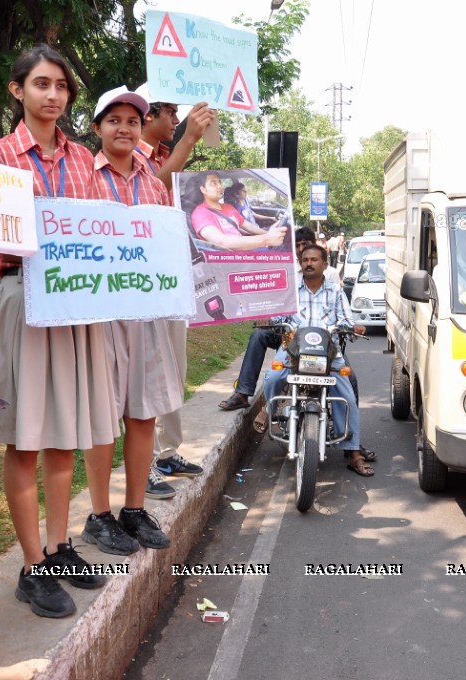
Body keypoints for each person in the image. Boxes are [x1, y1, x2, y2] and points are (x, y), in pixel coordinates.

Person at [0, 45, 119, 620]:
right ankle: (32, 565)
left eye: (61, 85)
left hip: (77, 304)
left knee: (64, 432)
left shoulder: (85, 160)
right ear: (17, 91)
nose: (53, 95)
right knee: (25, 437)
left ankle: (59, 547)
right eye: (41, 84)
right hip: (23, 297)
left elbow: (107, 232)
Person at [79, 86, 178, 555]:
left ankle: (133, 509)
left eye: (133, 121)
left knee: (143, 413)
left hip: (147, 311)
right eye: (114, 119)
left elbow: (167, 246)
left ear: (141, 129)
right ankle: (99, 515)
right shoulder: (83, 178)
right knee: (102, 416)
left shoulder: (154, 184)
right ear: (97, 127)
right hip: (100, 314)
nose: (124, 128)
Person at [133, 83, 214, 499]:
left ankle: (167, 452)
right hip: (143, 287)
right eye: (171, 112)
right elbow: (151, 190)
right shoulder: (131, 156)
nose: (177, 120)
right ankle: (143, 465)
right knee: (147, 378)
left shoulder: (168, 157)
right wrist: (189, 140)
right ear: (149, 116)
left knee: (173, 372)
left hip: (171, 284)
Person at [218, 227, 367, 424]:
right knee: (261, 341)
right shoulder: (286, 272)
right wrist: (266, 317)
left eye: (306, 246)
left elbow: (342, 314)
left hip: (325, 340)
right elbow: (276, 303)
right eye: (298, 249)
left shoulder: (330, 278)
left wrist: (350, 327)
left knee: (350, 380)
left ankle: (351, 440)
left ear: (322, 261)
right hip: (290, 335)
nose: (303, 255)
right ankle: (245, 394)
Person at [255, 244, 373, 476]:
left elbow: (347, 320)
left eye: (314, 260)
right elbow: (279, 316)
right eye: (305, 260)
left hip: (328, 353)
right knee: (272, 377)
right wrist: (268, 319)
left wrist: (354, 327)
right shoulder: (291, 290)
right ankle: (270, 410)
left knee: (346, 394)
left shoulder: (336, 291)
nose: (309, 263)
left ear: (325, 264)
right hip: (294, 350)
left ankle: (352, 452)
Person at [189, 172, 286, 251]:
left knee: (282, 245)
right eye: (214, 183)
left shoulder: (228, 207)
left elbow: (249, 226)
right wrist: (266, 239)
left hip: (247, 248)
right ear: (203, 189)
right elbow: (221, 242)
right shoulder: (200, 214)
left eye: (220, 182)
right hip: (234, 258)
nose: (220, 186)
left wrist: (268, 233)